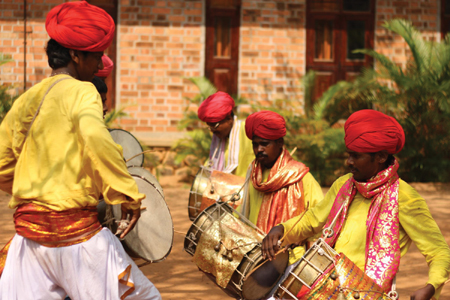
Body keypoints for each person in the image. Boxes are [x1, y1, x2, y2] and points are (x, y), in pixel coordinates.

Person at [0, 2, 161, 299]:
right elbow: (97, 139)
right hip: (77, 240)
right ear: (75, 55)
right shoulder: (83, 90)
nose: (100, 65)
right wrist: (127, 196)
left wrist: (35, 193)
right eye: (97, 56)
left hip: (29, 240)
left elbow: (2, 162)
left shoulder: (27, 98)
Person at [262, 110, 450, 300]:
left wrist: (431, 287)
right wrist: (282, 229)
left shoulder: (405, 197)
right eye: (348, 154)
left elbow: (439, 252)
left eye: (355, 156)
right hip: (323, 289)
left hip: (369, 295)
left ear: (382, 157)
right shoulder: (344, 184)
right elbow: (313, 219)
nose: (348, 161)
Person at [239, 110, 323, 271]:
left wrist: (299, 235)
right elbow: (243, 211)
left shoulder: (300, 176)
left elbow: (320, 216)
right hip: (255, 257)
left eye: (264, 144)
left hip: (292, 261)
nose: (259, 149)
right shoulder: (253, 172)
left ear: (280, 143)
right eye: (255, 144)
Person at [197, 91, 254, 178]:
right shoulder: (218, 139)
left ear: (229, 119)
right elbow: (210, 164)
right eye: (209, 126)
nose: (212, 131)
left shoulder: (249, 131)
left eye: (215, 126)